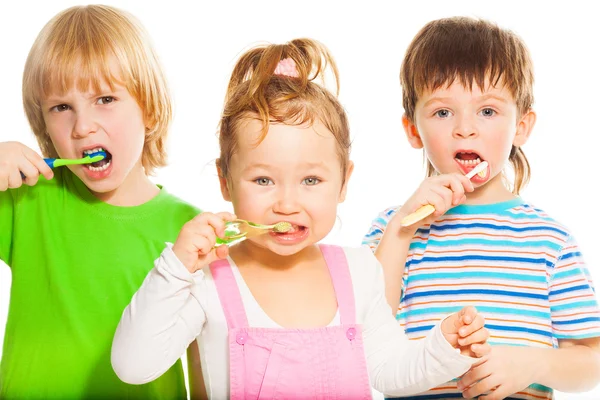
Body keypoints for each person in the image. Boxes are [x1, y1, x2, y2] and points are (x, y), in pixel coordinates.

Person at [111, 38, 490, 399]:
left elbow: (389, 368)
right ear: (225, 182)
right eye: (263, 180)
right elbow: (133, 367)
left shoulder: (360, 271)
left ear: (344, 183)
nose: (287, 204)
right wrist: (175, 270)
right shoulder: (205, 279)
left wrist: (443, 347)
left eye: (311, 180)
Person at [363, 16, 600, 400]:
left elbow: (590, 360)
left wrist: (534, 363)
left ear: (521, 126)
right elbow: (365, 331)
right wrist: (403, 230)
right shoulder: (392, 229)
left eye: (487, 111)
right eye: (443, 112)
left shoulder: (550, 239)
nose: (465, 128)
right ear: (412, 129)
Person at [0, 5, 199, 398]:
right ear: (43, 125)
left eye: (105, 99)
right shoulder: (26, 202)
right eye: (61, 107)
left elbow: (205, 359)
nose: (82, 126)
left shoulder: (190, 230)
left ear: (150, 109)